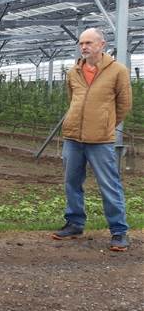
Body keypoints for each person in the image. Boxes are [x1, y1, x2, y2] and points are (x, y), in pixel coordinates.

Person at [52, 28, 132, 251]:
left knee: (109, 185)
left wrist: (106, 124)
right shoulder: (73, 72)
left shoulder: (118, 71)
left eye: (88, 42)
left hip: (100, 140)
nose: (84, 47)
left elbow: (124, 104)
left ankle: (118, 231)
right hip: (73, 137)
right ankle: (75, 223)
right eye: (81, 43)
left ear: (102, 44)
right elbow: (73, 100)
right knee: (72, 182)